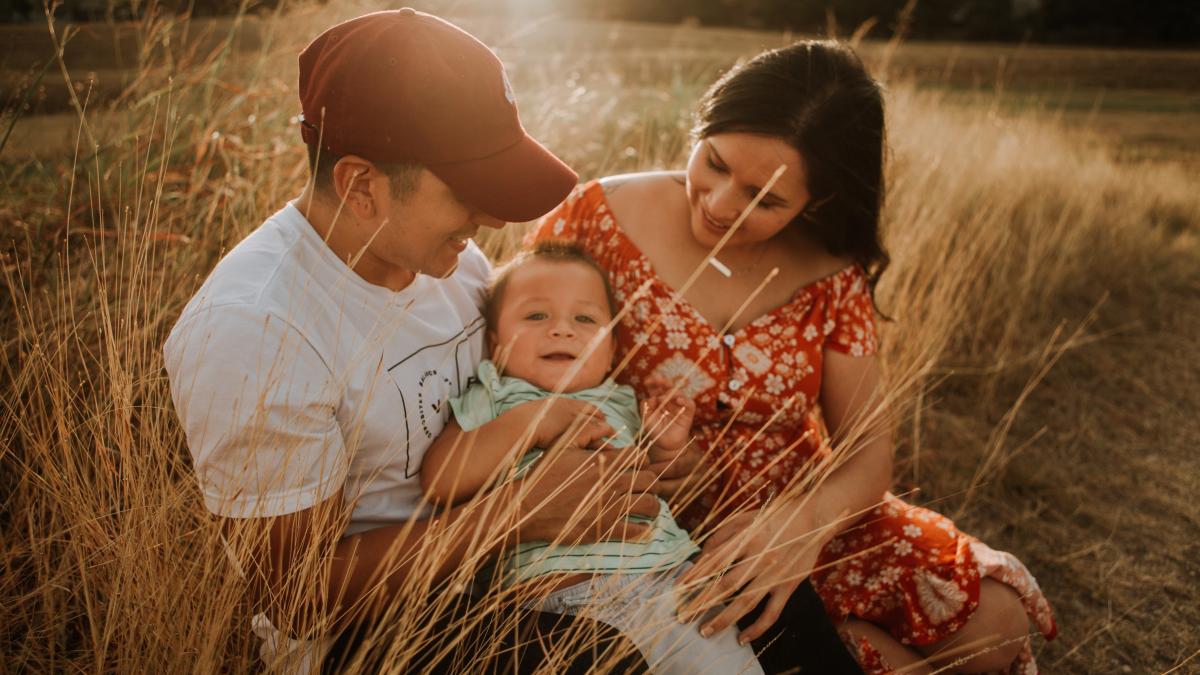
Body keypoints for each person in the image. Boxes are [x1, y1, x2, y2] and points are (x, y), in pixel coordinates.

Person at [528, 41, 1058, 673]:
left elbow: (867, 454)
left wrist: (800, 527)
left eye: (766, 198)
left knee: (996, 622)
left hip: (801, 515)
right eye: (715, 162)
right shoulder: (597, 217)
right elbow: (515, 358)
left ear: (820, 201)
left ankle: (838, 641)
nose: (722, 204)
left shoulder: (833, 272)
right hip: (643, 521)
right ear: (700, 128)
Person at [163, 9, 659, 673]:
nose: (488, 218)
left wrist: (629, 459)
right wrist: (516, 514)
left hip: (513, 561)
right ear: (361, 186)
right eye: (468, 192)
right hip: (371, 635)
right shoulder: (254, 332)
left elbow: (511, 402)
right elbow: (296, 595)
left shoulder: (454, 264)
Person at [419, 242, 760, 674]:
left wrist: (668, 445)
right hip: (564, 605)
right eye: (536, 315)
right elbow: (442, 479)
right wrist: (532, 421)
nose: (562, 329)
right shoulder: (497, 398)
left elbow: (666, 488)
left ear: (613, 348)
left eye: (585, 318)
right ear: (495, 343)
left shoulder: (619, 401)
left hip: (673, 586)